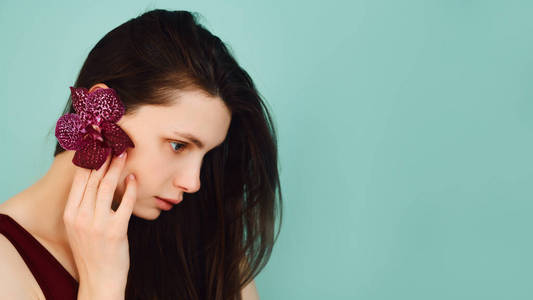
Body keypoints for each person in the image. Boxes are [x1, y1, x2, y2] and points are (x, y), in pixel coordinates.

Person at [0, 9, 282, 300]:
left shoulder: (202, 243)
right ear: (100, 110)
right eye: (178, 145)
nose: (193, 182)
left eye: (206, 155)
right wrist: (102, 285)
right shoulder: (7, 263)